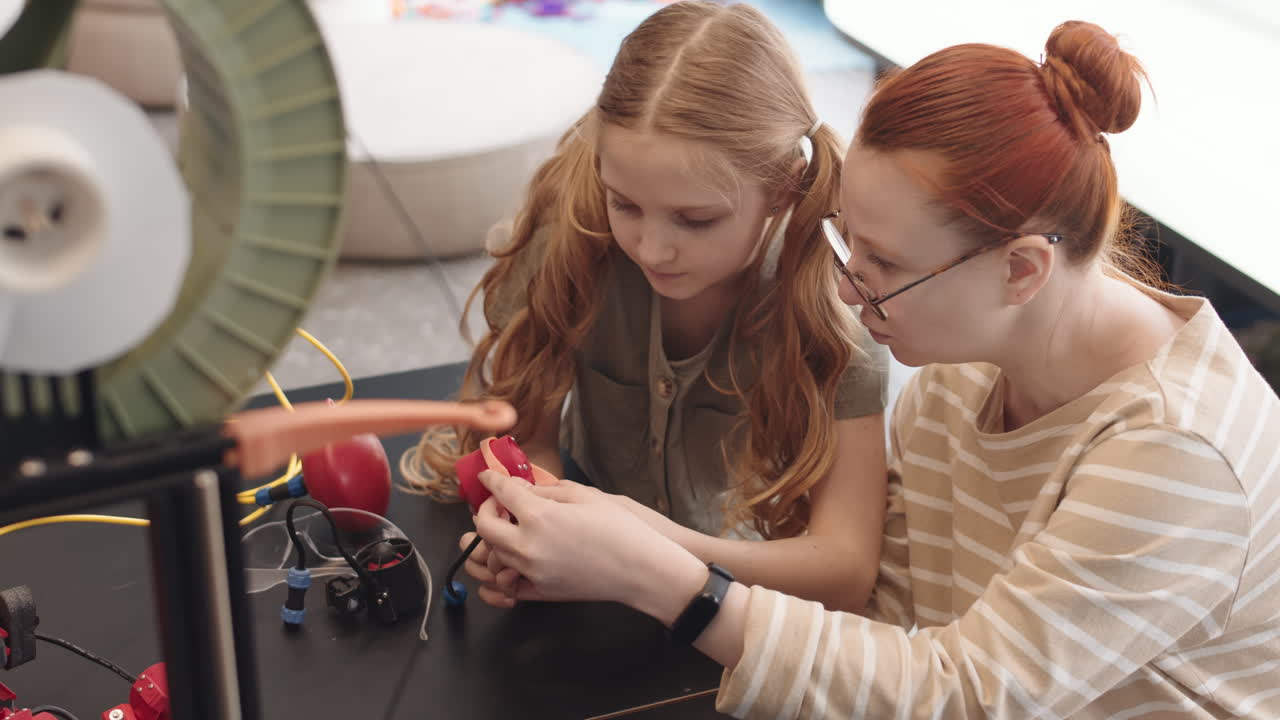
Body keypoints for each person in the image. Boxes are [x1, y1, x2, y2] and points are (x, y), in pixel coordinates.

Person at [466, 20, 1280, 719]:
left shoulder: (1178, 454)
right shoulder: (967, 370)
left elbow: (963, 697)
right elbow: (895, 616)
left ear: (1022, 270)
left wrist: (668, 578)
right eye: (848, 245)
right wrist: (625, 550)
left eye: (884, 265)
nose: (852, 295)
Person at [401, 1, 890, 611]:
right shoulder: (569, 237)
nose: (652, 249)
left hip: (741, 586)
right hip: (592, 555)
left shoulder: (837, 301)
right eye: (624, 204)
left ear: (784, 188)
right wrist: (521, 518)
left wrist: (642, 553)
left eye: (696, 219)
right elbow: (527, 439)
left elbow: (845, 569)